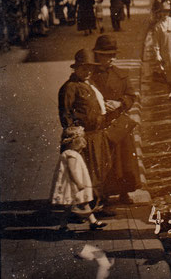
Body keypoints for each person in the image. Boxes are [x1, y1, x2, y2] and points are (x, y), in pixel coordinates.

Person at [58, 49, 111, 208]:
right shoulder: (70, 88)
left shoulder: (88, 84)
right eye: (84, 68)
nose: (88, 72)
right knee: (86, 173)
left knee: (99, 170)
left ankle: (98, 205)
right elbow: (66, 115)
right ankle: (86, 208)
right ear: (76, 69)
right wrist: (75, 138)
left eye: (90, 68)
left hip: (97, 135)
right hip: (84, 138)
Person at [91, 35, 140, 203]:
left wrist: (119, 104)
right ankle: (104, 195)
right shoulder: (91, 77)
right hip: (101, 124)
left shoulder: (122, 74)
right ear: (97, 55)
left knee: (124, 160)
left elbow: (131, 96)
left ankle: (124, 192)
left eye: (113, 55)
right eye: (106, 55)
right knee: (105, 160)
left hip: (119, 124)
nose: (111, 59)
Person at [50, 126, 107, 232]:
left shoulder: (69, 153)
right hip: (73, 186)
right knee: (72, 207)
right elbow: (72, 171)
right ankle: (64, 226)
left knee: (82, 204)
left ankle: (92, 222)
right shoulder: (71, 155)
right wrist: (79, 183)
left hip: (73, 185)